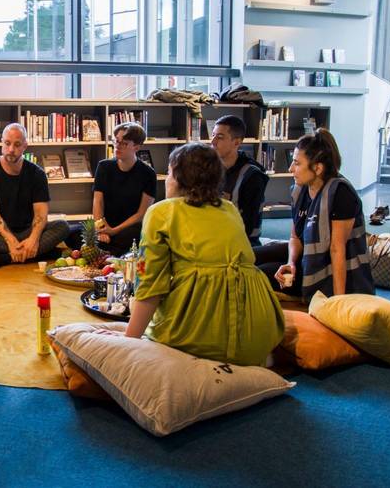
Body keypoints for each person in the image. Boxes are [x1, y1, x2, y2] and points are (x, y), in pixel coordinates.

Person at [122, 143, 284, 366]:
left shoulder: (162, 211)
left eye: (169, 173)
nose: (166, 179)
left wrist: (128, 341)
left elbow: (150, 286)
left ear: (179, 177)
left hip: (200, 329)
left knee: (154, 327)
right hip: (259, 328)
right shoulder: (229, 208)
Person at [254, 128, 375, 299]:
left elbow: (337, 249)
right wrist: (290, 263)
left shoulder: (340, 193)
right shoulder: (300, 190)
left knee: (257, 275)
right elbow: (295, 237)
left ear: (318, 168)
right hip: (306, 256)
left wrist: (337, 302)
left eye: (297, 163)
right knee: (250, 257)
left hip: (328, 270)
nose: (290, 168)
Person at [0, 123, 70, 268]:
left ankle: (7, 258)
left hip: (28, 231)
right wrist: (11, 241)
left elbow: (41, 215)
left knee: (63, 226)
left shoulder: (37, 174)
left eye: (17, 144)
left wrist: (33, 239)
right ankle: (41, 254)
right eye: (7, 143)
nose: (11, 149)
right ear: (1, 143)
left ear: (25, 146)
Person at [91, 122, 156, 256]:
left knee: (134, 236)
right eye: (116, 141)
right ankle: (112, 253)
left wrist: (114, 230)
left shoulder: (148, 173)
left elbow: (141, 213)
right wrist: (101, 229)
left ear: (137, 147)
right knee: (72, 233)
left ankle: (106, 253)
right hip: (105, 225)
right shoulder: (104, 167)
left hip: (129, 228)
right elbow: (98, 202)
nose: (117, 146)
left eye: (124, 143)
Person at [210, 115, 268, 246]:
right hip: (213, 236)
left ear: (236, 143)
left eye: (220, 137)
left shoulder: (252, 175)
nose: (213, 142)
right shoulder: (209, 168)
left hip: (242, 242)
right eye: (213, 135)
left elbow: (247, 225)